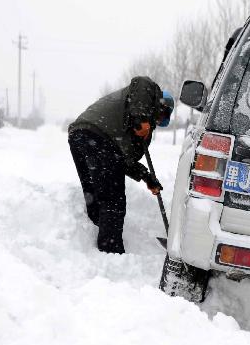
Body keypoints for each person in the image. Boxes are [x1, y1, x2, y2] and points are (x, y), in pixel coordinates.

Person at [68, 76, 174, 253]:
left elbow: (123, 162)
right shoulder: (148, 93)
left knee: (93, 193)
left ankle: (94, 243)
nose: (157, 120)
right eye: (161, 115)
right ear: (161, 105)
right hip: (100, 137)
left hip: (80, 135)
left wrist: (147, 178)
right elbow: (141, 82)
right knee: (113, 200)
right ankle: (111, 251)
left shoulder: (131, 125)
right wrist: (141, 117)